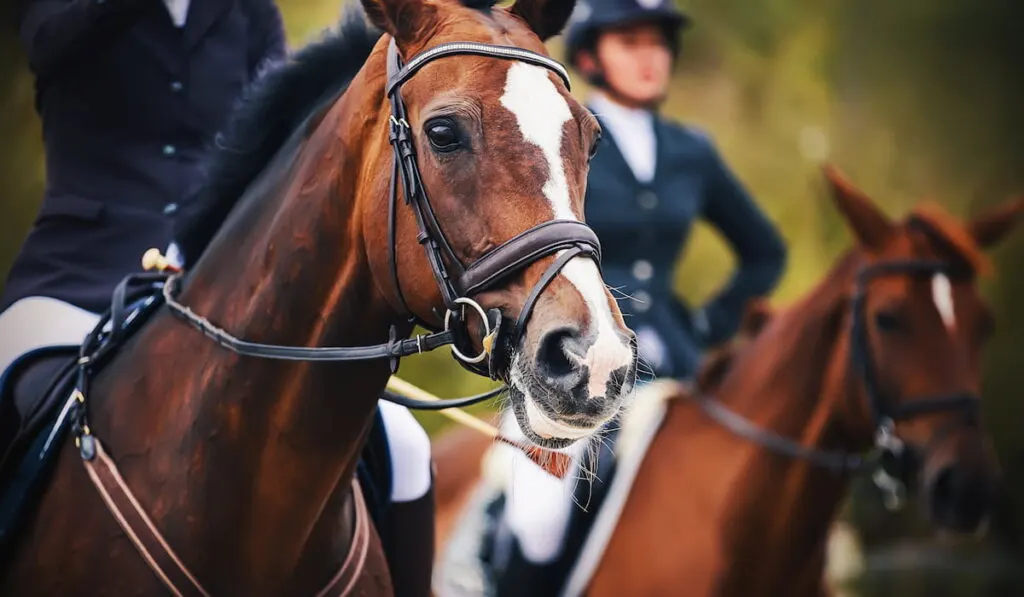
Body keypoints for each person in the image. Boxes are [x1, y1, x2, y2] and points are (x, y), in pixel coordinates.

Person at [0, 3, 434, 596]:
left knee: (406, 442)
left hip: (216, 282)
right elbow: (50, 42)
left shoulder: (244, 10)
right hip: (76, 278)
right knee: (10, 389)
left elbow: (276, 130)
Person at [487, 0, 787, 594]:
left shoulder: (691, 153)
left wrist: (706, 326)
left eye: (658, 43)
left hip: (679, 370)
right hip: (577, 368)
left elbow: (765, 251)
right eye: (631, 43)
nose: (651, 57)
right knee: (539, 518)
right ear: (594, 56)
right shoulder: (563, 134)